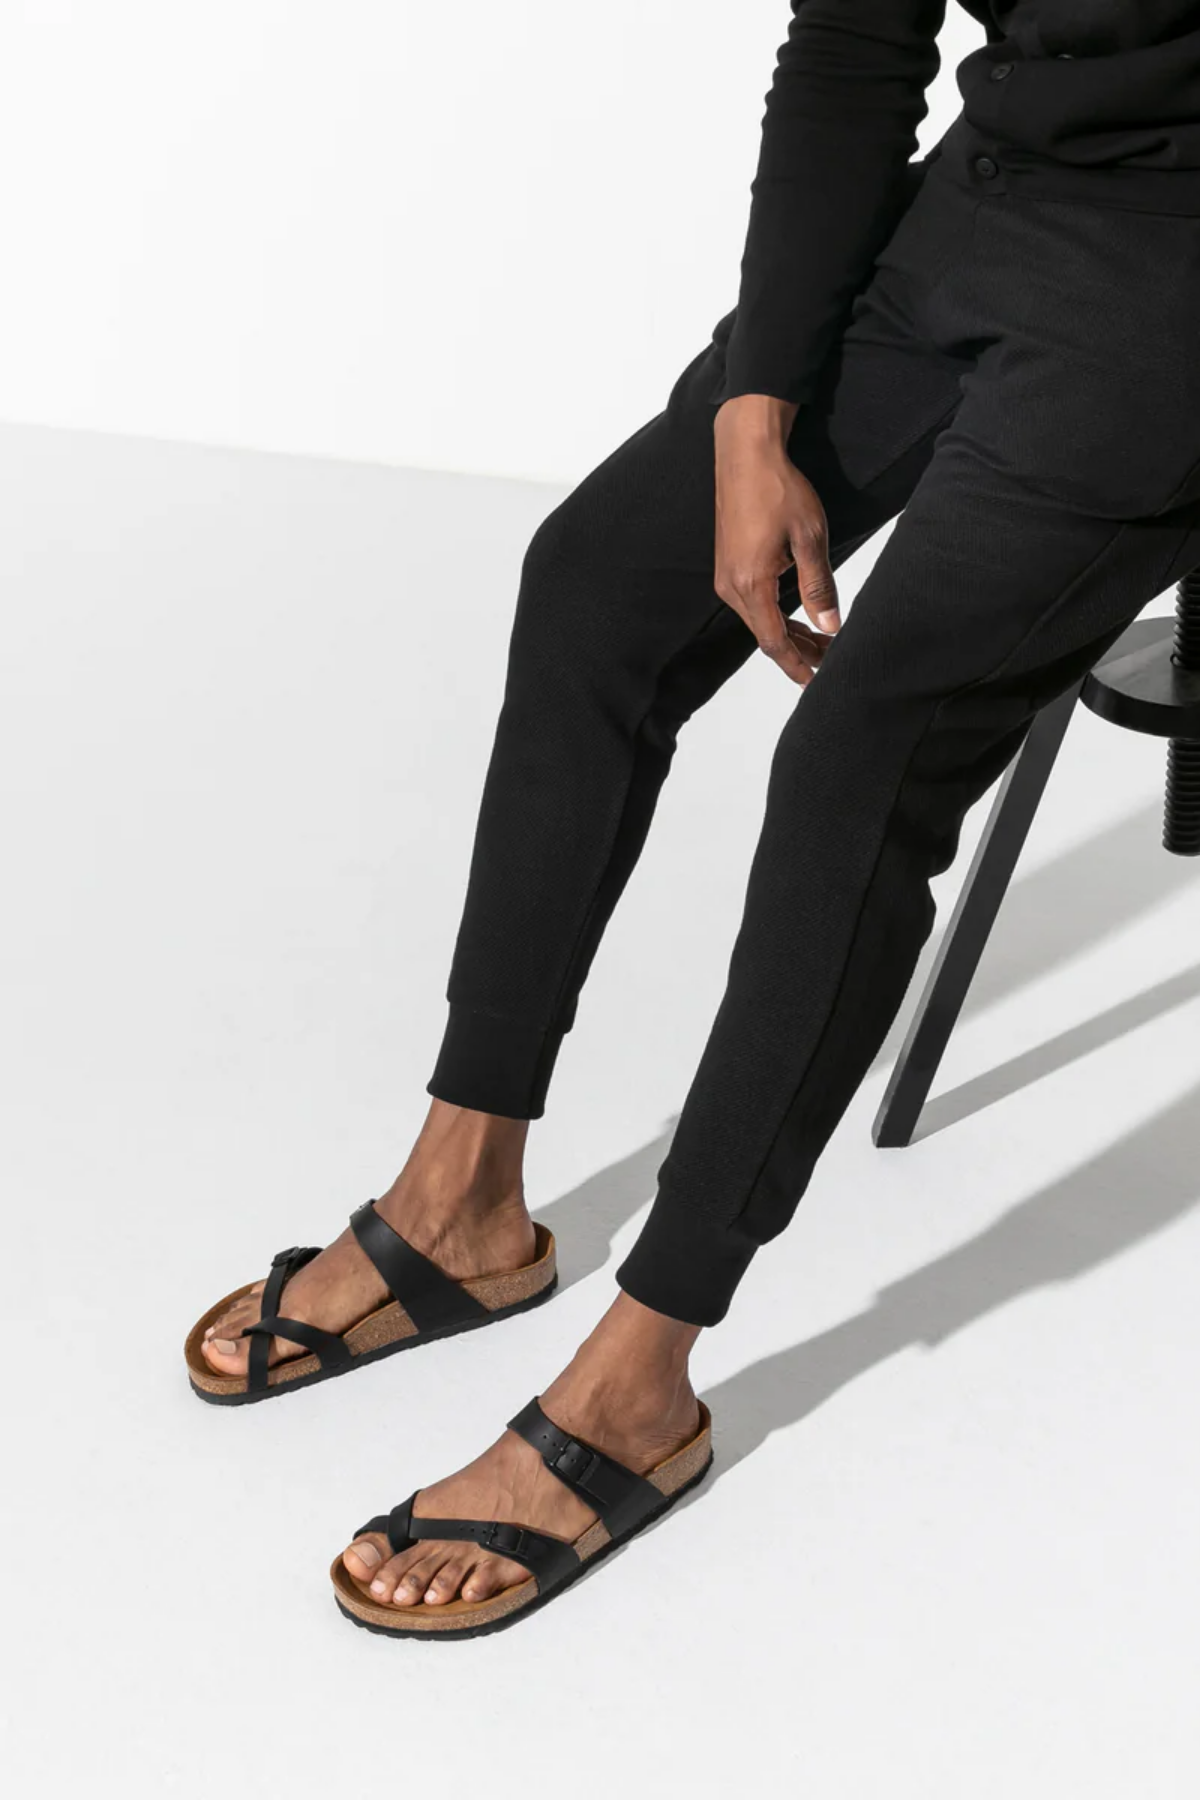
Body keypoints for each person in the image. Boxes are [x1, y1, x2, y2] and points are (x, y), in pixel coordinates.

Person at [187, 2, 1200, 1636]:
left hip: (1175, 285)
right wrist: (754, 409)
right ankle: (463, 1197)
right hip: (996, 193)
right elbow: (854, 45)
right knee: (597, 587)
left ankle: (640, 1375)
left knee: (861, 755)